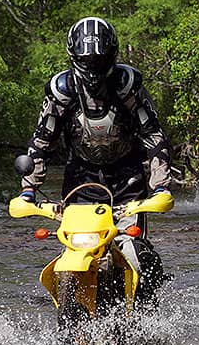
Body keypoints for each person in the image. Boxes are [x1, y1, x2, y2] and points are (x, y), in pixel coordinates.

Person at [19, 16, 173, 305]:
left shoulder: (128, 85)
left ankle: (147, 326)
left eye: (99, 61)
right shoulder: (60, 92)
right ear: (74, 58)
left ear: (112, 57)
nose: (93, 68)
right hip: (81, 181)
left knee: (134, 253)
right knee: (75, 248)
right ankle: (67, 333)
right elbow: (41, 142)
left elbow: (154, 136)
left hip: (127, 180)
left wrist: (161, 187)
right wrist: (28, 190)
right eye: (87, 61)